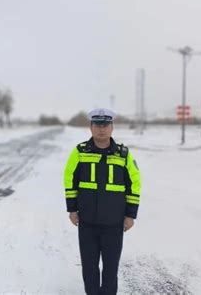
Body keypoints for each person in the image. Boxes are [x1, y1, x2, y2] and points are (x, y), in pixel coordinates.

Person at [63, 108, 142, 295]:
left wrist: (130, 215)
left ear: (112, 127)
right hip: (87, 222)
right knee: (89, 267)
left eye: (105, 125)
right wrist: (72, 209)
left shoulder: (123, 154)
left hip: (114, 224)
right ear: (90, 127)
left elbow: (134, 183)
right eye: (97, 125)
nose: (101, 129)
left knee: (110, 268)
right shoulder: (80, 152)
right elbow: (69, 180)